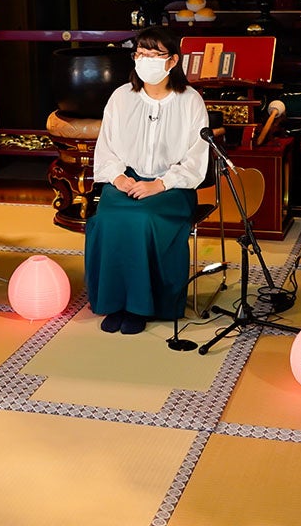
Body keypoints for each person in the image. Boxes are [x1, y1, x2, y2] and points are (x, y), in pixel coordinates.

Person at [85, 26, 209, 335]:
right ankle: (114, 302)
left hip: (173, 186)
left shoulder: (190, 101)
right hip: (125, 180)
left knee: (142, 219)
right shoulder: (121, 97)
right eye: (140, 54)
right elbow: (106, 146)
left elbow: (196, 158)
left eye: (154, 54)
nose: (145, 60)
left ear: (172, 61)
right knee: (108, 219)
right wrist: (118, 177)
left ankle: (140, 306)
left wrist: (160, 184)